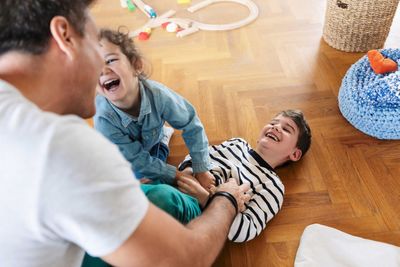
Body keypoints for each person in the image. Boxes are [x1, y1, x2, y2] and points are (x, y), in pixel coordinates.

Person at [0, 1, 250, 267]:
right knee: (164, 200)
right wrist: (226, 201)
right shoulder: (63, 147)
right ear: (64, 36)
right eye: (95, 45)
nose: (101, 67)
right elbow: (183, 259)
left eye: (110, 59)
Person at [94, 28, 215, 190]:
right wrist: (177, 175)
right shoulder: (103, 119)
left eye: (110, 60)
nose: (103, 70)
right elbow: (136, 160)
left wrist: (201, 169)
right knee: (138, 184)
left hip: (151, 144)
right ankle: (163, 139)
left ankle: (161, 140)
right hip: (121, 155)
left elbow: (191, 123)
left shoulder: (159, 96)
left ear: (136, 65)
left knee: (154, 179)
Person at [177, 110, 312, 242]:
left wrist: (206, 199)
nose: (276, 127)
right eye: (273, 123)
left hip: (199, 219)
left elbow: (245, 230)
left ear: (294, 154)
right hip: (180, 184)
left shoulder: (273, 187)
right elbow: (199, 155)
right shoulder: (237, 143)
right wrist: (187, 173)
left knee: (164, 199)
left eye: (287, 129)